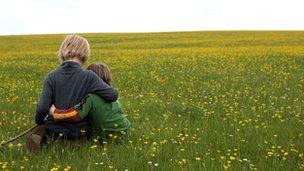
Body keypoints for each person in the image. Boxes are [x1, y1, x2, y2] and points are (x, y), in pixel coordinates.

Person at [26, 35, 118, 153]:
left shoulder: (51, 76)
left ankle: (47, 144)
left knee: (39, 136)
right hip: (79, 134)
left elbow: (43, 107)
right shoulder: (89, 76)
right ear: (85, 53)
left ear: (63, 51)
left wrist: (39, 122)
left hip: (53, 133)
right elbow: (112, 95)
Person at [49, 63, 131, 143]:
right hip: (126, 132)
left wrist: (55, 112)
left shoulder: (91, 98)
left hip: (107, 137)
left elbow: (74, 115)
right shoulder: (114, 98)